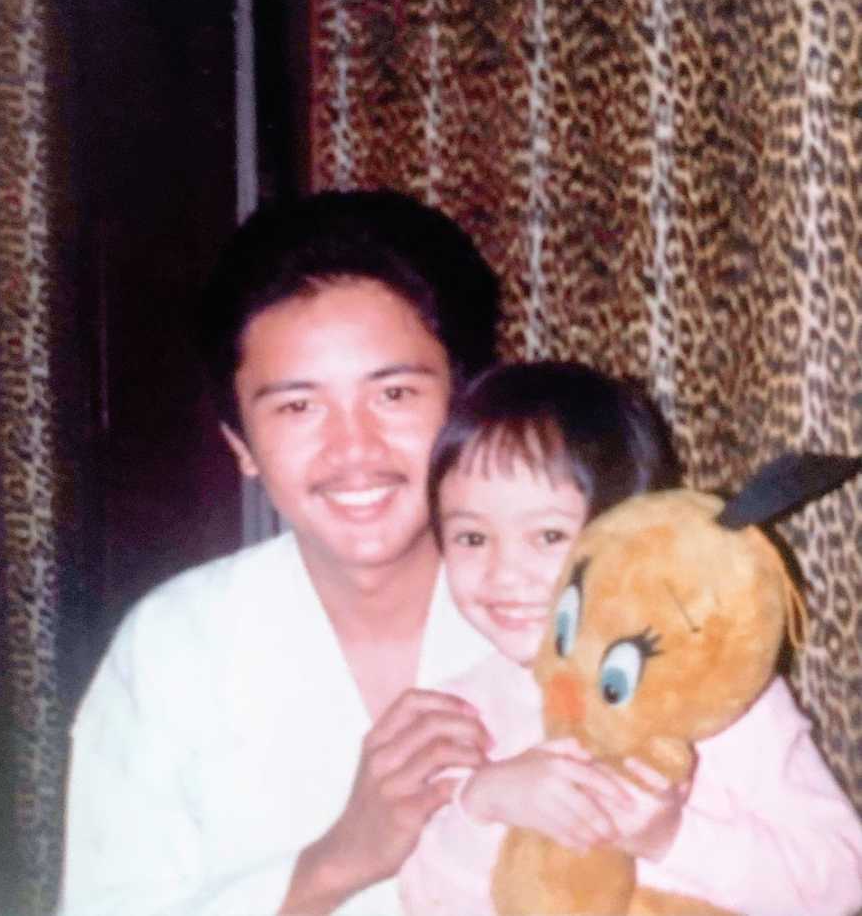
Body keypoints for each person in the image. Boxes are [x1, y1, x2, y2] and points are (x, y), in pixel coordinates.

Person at [60, 189, 502, 916]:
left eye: (393, 394)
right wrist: (334, 864)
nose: (353, 451)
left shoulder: (574, 609)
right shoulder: (174, 648)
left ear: (466, 407)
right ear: (241, 445)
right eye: (298, 407)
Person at [398, 360, 862, 916]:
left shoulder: (727, 700)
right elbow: (425, 901)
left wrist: (672, 839)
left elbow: (844, 882)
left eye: (547, 535)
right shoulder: (462, 711)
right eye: (472, 537)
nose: (502, 573)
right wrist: (483, 803)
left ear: (628, 534)